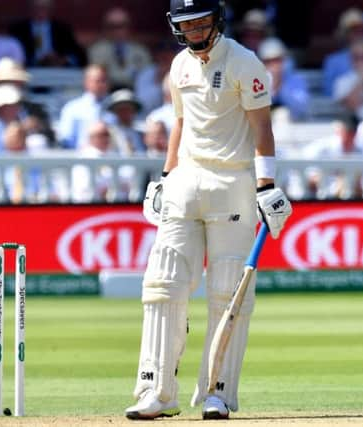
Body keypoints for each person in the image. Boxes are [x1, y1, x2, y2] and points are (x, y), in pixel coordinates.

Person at [125, 0, 292, 420]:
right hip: (186, 181)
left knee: (226, 289)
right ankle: (155, 392)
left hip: (233, 182)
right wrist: (164, 176)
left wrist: (266, 184)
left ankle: (217, 393)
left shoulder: (244, 61)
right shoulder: (180, 65)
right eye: (187, 25)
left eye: (201, 23)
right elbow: (180, 123)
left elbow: (261, 126)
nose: (195, 31)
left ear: (216, 21)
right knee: (162, 284)